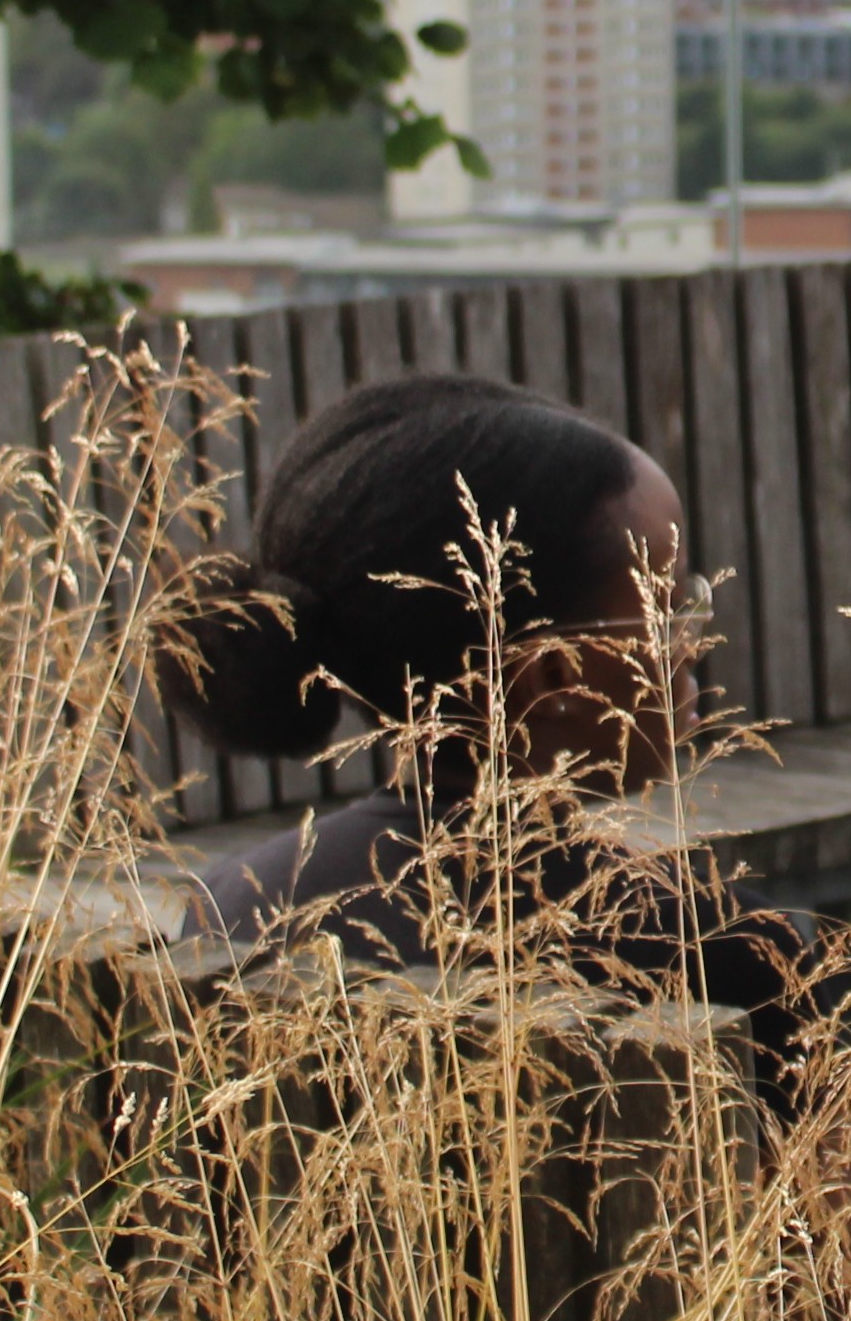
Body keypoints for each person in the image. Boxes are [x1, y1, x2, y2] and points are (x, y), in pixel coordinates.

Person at [170, 371, 814, 1020]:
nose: (693, 643)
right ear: (556, 675)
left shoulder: (226, 911)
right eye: (669, 609)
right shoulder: (725, 954)